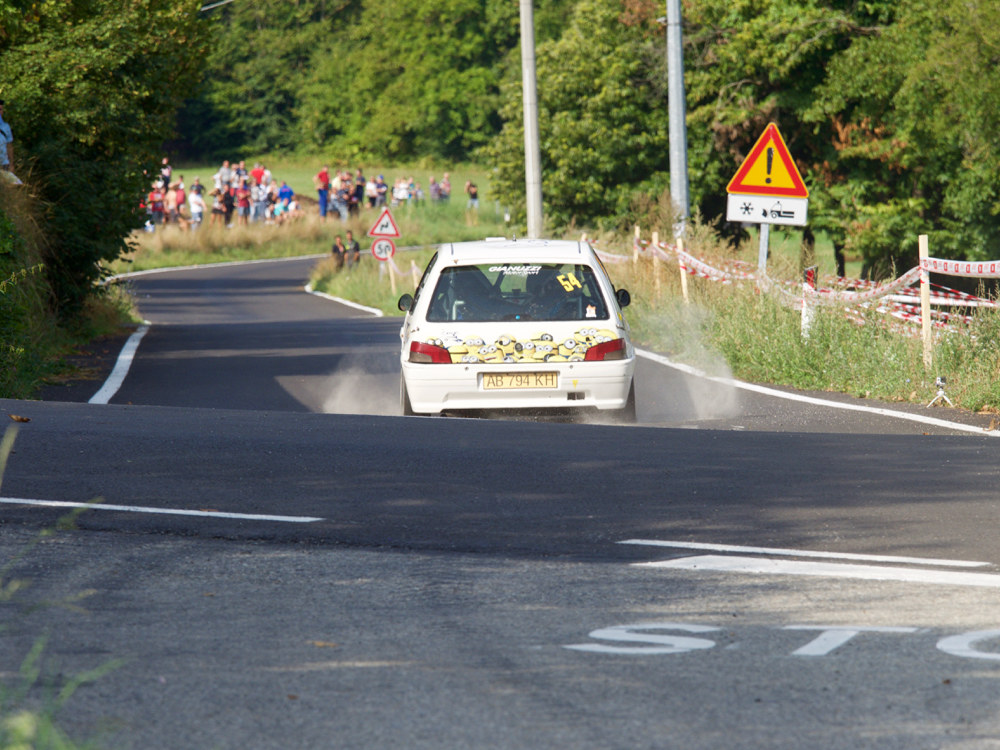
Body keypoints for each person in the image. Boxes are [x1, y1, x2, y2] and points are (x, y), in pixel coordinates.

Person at [0, 100, 13, 171]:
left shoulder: (6, 127)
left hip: (4, 165)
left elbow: (9, 146)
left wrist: (11, 165)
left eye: (0, 109)